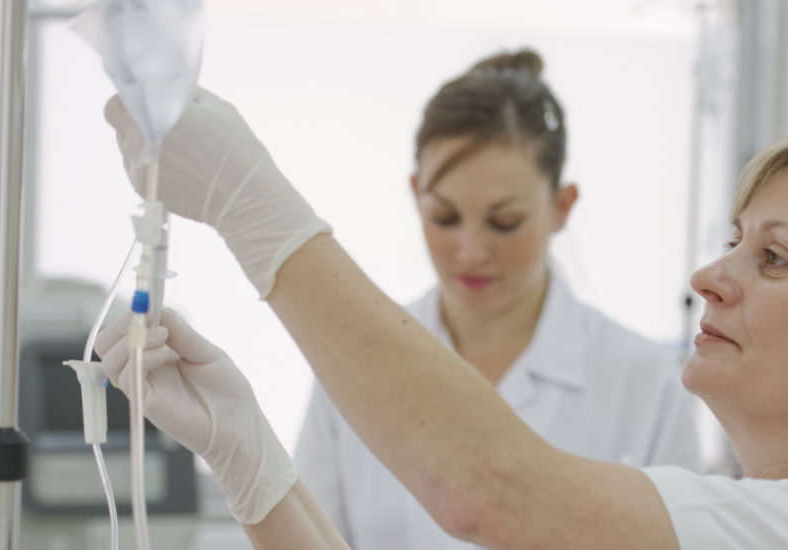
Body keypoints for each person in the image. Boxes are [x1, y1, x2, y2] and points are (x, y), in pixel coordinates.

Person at [95, 86, 788, 549]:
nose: (709, 277)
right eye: (733, 241)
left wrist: (251, 203)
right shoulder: (763, 520)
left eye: (774, 259)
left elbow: (495, 494)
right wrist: (251, 461)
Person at [291, 49, 699, 550]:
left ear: (562, 206)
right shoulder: (354, 363)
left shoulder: (643, 384)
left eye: (504, 222)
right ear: (416, 193)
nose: (471, 251)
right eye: (444, 217)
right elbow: (306, 538)